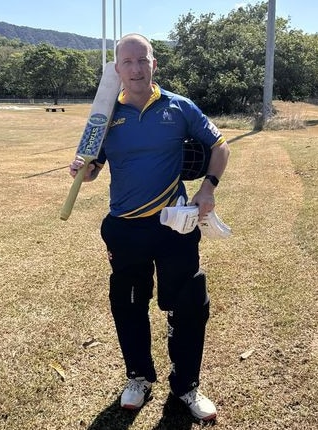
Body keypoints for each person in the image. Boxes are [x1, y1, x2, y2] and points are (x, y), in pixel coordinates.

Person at [69, 33, 230, 422]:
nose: (136, 68)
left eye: (143, 60)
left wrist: (208, 187)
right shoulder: (106, 115)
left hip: (174, 225)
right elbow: (92, 166)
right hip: (125, 228)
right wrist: (83, 170)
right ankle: (139, 377)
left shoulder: (179, 106)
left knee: (189, 304)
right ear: (117, 69)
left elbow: (220, 147)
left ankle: (187, 385)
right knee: (128, 305)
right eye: (128, 62)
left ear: (153, 64)